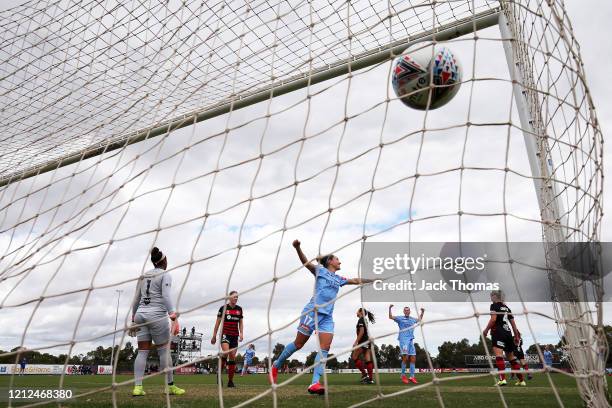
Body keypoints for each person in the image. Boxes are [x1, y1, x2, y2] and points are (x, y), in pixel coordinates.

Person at [270, 239, 374, 395]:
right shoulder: (320, 271)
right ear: (330, 262)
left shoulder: (339, 279)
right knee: (298, 344)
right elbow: (306, 263)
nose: (340, 261)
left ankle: (314, 383)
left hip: (327, 318)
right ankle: (276, 366)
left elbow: (356, 280)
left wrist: (372, 280)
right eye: (337, 259)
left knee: (325, 348)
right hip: (312, 312)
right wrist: (298, 248)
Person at [130, 247, 185, 396]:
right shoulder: (165, 275)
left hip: (140, 315)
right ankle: (170, 386)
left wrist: (133, 318)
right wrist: (173, 316)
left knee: (142, 352)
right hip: (157, 316)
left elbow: (136, 299)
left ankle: (138, 388)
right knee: (163, 351)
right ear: (164, 261)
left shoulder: (143, 276)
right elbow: (166, 296)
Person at [482, 290, 525, 387]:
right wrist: (516, 336)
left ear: (495, 296)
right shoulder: (507, 308)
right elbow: (513, 324)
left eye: (491, 296)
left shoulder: (494, 306)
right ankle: (521, 380)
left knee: (499, 356)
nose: (490, 298)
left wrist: (486, 330)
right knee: (512, 358)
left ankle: (502, 380)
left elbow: (493, 319)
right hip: (508, 333)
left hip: (498, 332)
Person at [211, 291, 243, 388]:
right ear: (229, 298)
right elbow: (218, 323)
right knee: (226, 352)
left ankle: (230, 381)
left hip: (234, 336)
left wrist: (241, 333)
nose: (236, 299)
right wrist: (214, 335)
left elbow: (241, 322)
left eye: (237, 297)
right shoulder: (223, 308)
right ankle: (219, 375)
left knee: (232, 356)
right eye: (234, 297)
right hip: (225, 334)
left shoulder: (239, 309)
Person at [389, 304, 424, 384]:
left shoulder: (412, 319)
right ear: (404, 312)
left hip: (411, 340)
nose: (407, 311)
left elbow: (419, 319)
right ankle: (403, 375)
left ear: (409, 311)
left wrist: (422, 312)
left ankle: (412, 377)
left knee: (413, 358)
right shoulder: (400, 318)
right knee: (405, 357)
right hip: (403, 340)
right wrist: (390, 308)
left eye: (408, 310)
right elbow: (390, 317)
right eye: (405, 310)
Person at [352, 308, 375, 384]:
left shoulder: (361, 320)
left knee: (354, 357)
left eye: (357, 311)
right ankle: (370, 379)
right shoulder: (364, 320)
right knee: (367, 359)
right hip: (367, 341)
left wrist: (356, 342)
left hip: (363, 341)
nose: (356, 312)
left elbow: (362, 332)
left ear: (361, 312)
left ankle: (364, 374)